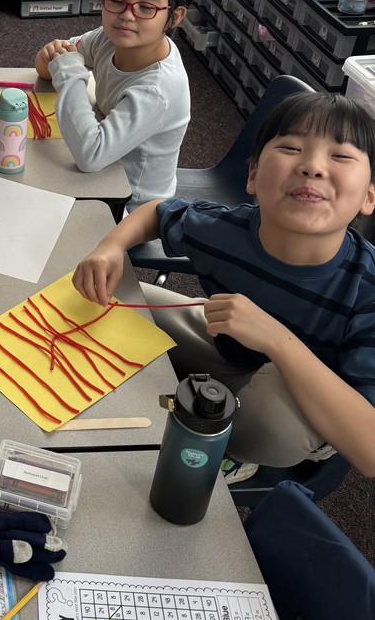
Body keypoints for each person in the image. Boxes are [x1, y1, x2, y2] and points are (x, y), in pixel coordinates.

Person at [72, 92, 375, 480]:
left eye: (340, 156)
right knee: (105, 301)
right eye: (291, 147)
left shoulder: (364, 290)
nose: (312, 166)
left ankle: (227, 449)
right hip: (225, 348)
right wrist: (110, 247)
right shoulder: (227, 229)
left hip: (305, 403)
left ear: (368, 196)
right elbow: (156, 212)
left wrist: (276, 339)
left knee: (275, 418)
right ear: (252, 175)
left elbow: (369, 452)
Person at [35, 0, 195, 208]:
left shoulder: (158, 90)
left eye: (146, 7)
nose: (126, 15)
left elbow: (91, 156)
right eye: (117, 1)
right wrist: (51, 57)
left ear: (174, 16)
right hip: (104, 176)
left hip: (132, 207)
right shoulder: (109, 39)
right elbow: (48, 68)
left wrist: (68, 73)